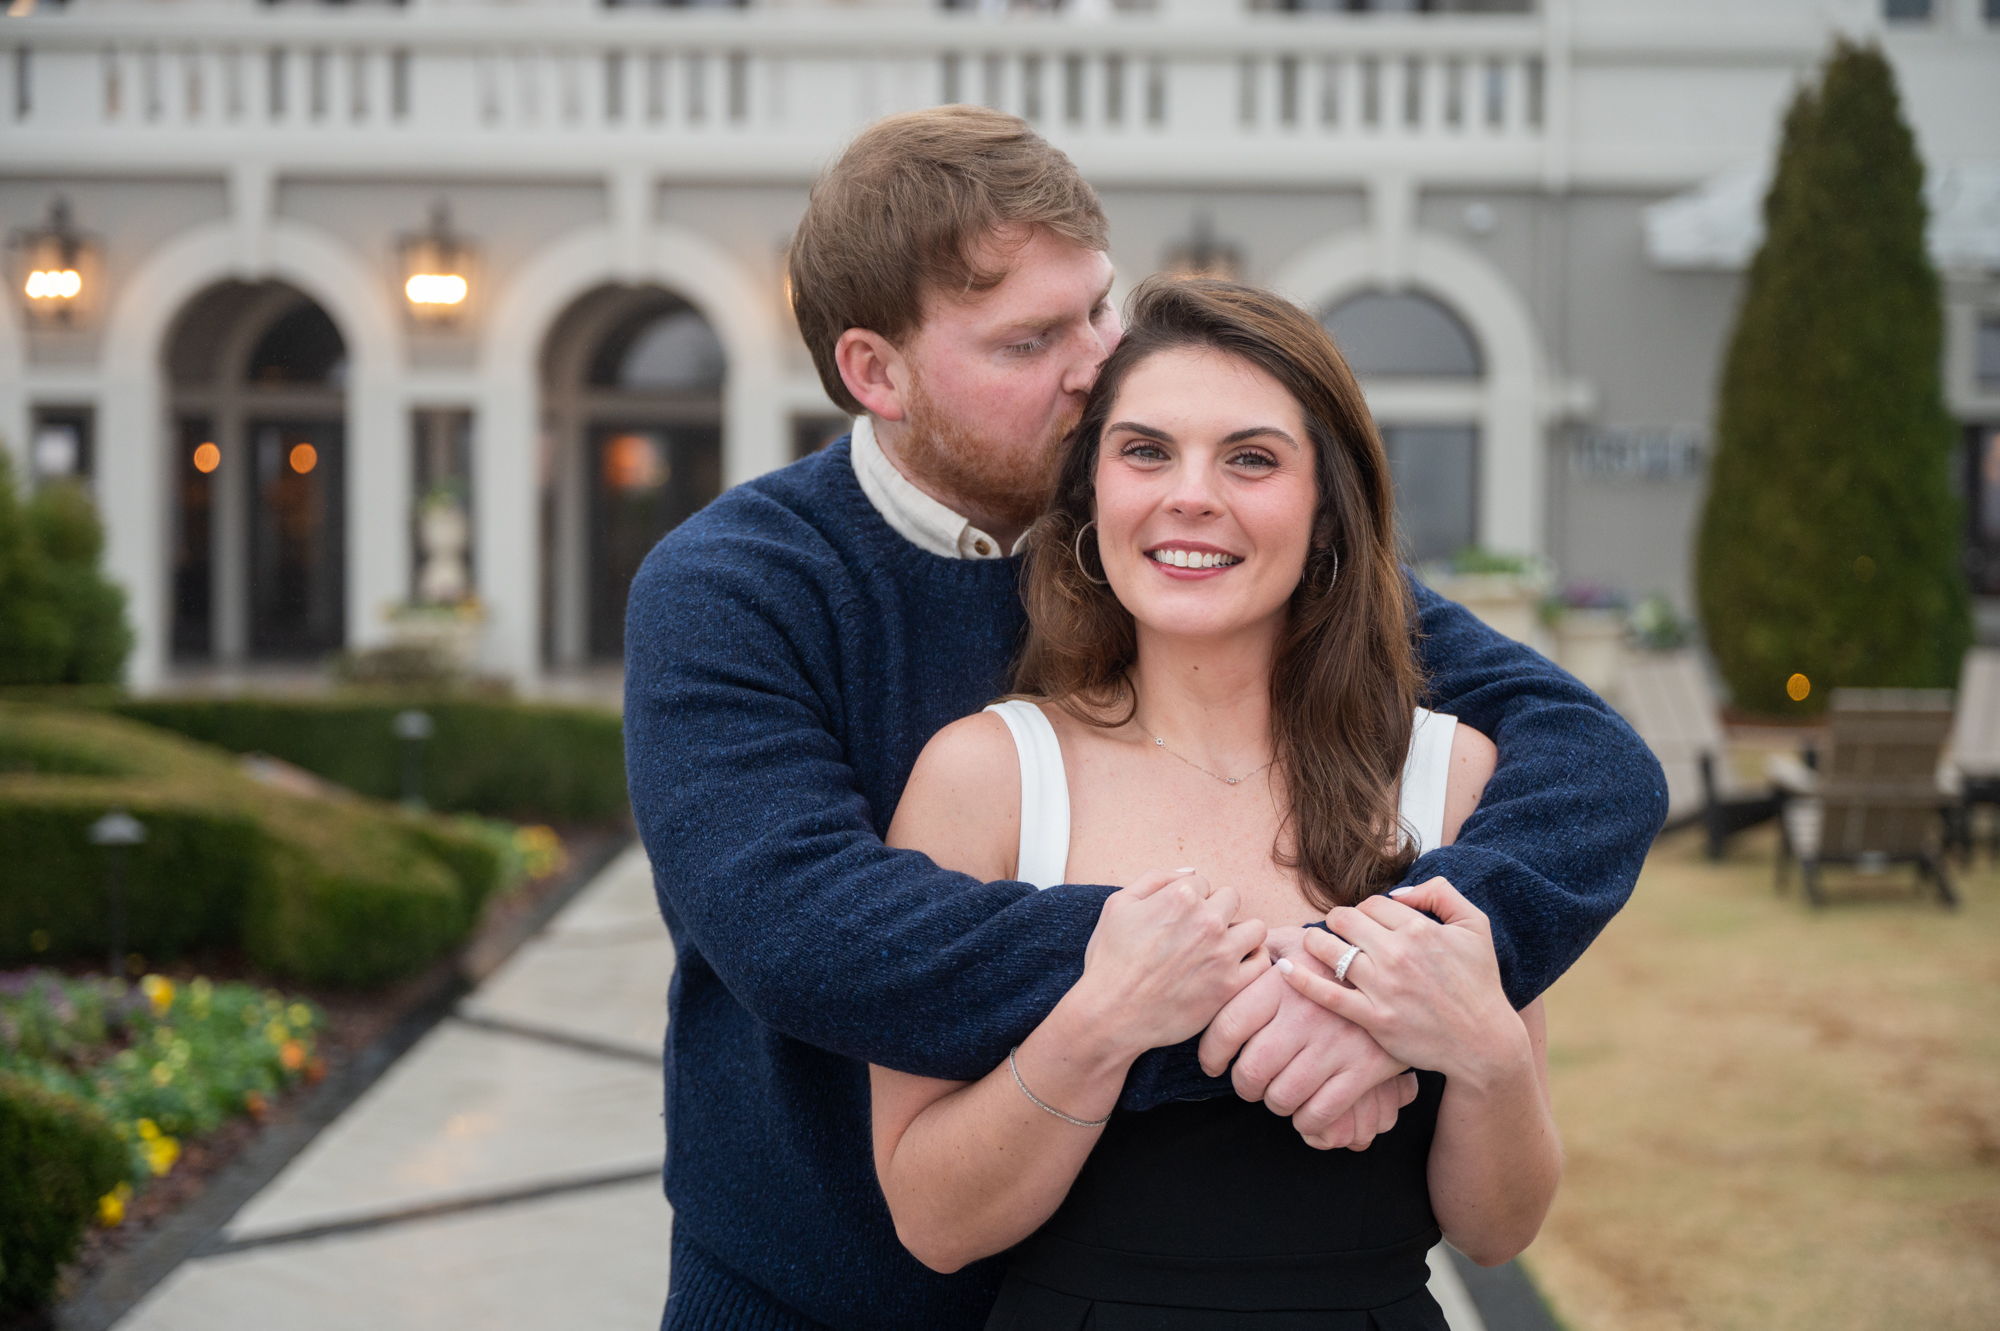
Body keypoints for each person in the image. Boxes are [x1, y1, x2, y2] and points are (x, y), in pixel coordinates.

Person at [624, 106, 1663, 1331]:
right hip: (816, 1291)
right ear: (874, 372)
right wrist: (1278, 990)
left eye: (1096, 309)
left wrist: (1419, 975)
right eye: (1029, 341)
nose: (1092, 364)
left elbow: (1588, 762)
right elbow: (808, 933)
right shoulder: (736, 587)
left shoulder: (1193, 550)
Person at [871, 276, 1561, 1329]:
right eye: (1146, 451)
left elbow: (1499, 1228)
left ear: (1327, 510)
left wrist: (1484, 1044)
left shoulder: (1452, 776)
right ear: (1091, 495)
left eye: (1250, 458)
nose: (1190, 495)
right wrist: (1102, 1020)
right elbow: (932, 1221)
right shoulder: (986, 778)